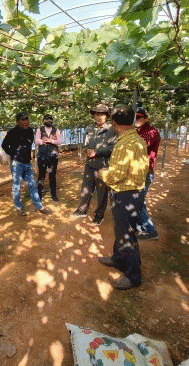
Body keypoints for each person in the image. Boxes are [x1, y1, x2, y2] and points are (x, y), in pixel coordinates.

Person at [97, 105, 149, 290]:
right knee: (122, 230)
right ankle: (118, 259)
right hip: (135, 192)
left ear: (114, 123)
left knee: (126, 234)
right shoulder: (137, 140)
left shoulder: (124, 144)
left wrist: (102, 173)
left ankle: (133, 276)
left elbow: (116, 175)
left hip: (126, 194)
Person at [71, 103, 118, 225]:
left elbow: (114, 148)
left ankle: (99, 215)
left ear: (106, 116)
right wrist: (87, 150)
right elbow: (86, 144)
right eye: (97, 114)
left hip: (103, 166)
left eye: (102, 114)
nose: (99, 117)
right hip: (90, 164)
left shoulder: (112, 129)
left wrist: (97, 152)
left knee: (102, 192)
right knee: (86, 189)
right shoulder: (89, 128)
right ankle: (82, 210)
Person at [1, 111, 50, 216]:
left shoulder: (30, 131)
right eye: (23, 120)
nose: (26, 121)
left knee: (32, 184)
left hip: (27, 163)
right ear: (17, 121)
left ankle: (39, 207)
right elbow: (4, 145)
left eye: (27, 119)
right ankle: (18, 206)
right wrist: (13, 154)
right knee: (17, 186)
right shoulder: (12, 132)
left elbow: (29, 143)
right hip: (17, 163)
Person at [135, 107, 161, 240]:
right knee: (140, 200)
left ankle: (150, 230)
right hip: (137, 172)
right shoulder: (137, 132)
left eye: (139, 117)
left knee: (137, 201)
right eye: (134, 118)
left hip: (144, 173)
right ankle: (140, 227)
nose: (136, 120)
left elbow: (138, 147)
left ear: (146, 118)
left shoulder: (152, 132)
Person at [35, 114, 61, 202]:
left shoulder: (56, 130)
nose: (49, 121)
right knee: (41, 176)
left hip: (53, 157)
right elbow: (36, 141)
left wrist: (50, 140)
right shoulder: (40, 129)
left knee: (52, 176)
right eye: (47, 119)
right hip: (42, 156)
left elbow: (59, 141)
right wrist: (42, 141)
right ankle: (39, 195)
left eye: (50, 119)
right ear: (44, 121)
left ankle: (53, 195)